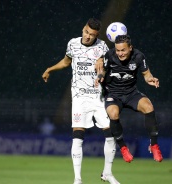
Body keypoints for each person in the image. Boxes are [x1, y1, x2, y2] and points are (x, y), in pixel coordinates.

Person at [42, 18, 120, 184]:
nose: (88, 37)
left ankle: (107, 173)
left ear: (97, 35)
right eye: (86, 32)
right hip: (79, 97)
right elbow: (66, 61)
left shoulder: (102, 47)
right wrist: (50, 69)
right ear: (83, 29)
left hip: (98, 96)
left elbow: (107, 68)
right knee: (77, 136)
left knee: (111, 134)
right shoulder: (73, 44)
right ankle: (77, 179)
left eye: (92, 35)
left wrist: (102, 70)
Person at [96, 34, 163, 163]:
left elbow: (146, 74)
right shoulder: (109, 55)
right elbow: (102, 70)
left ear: (130, 48)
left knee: (148, 106)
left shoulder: (138, 56)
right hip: (113, 94)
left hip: (131, 93)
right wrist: (100, 76)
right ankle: (123, 147)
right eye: (118, 50)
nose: (120, 53)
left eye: (123, 50)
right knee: (113, 113)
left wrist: (151, 79)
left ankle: (154, 145)